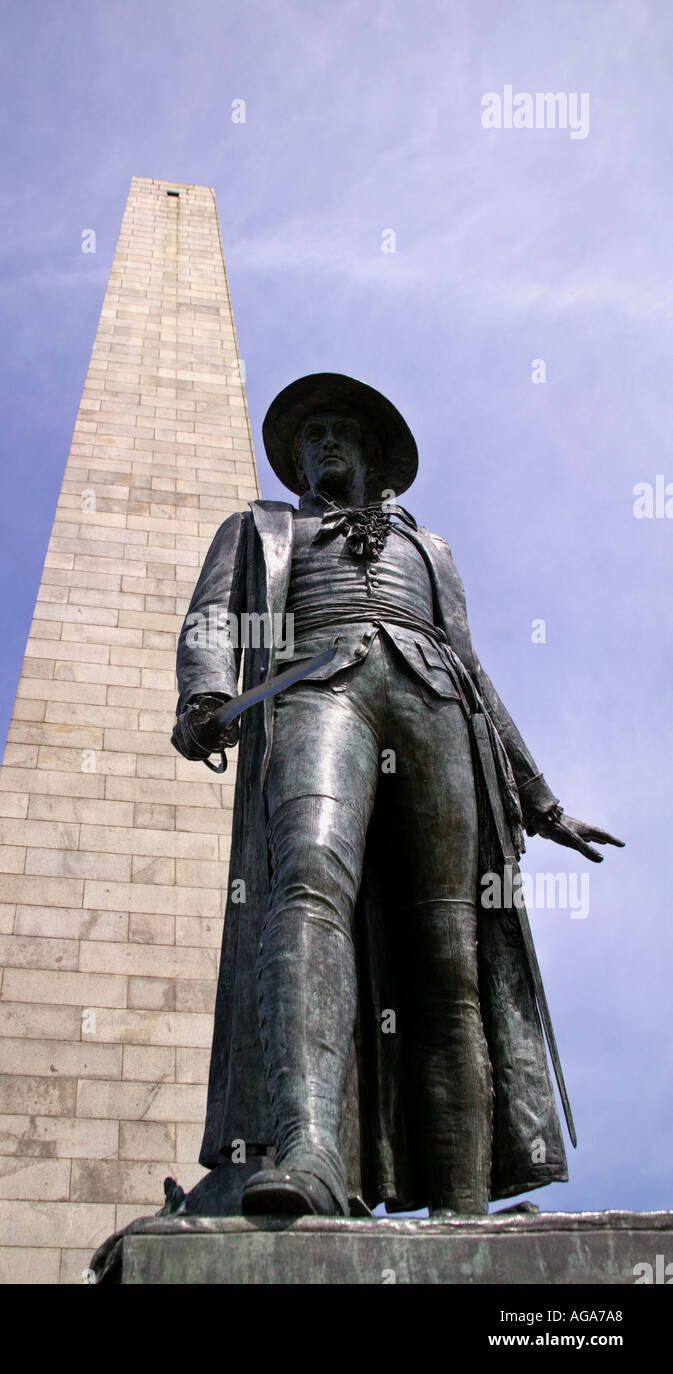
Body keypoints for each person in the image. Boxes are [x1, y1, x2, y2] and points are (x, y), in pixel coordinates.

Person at [171, 373, 622, 1219]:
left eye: (341, 431)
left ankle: (462, 1202)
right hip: (316, 684)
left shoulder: (433, 551)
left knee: (447, 953)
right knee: (306, 878)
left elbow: (473, 669)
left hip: (436, 705)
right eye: (311, 436)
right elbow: (212, 623)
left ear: (374, 453)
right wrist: (201, 696)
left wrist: (538, 798)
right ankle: (308, 1153)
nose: (325, 443)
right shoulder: (261, 529)